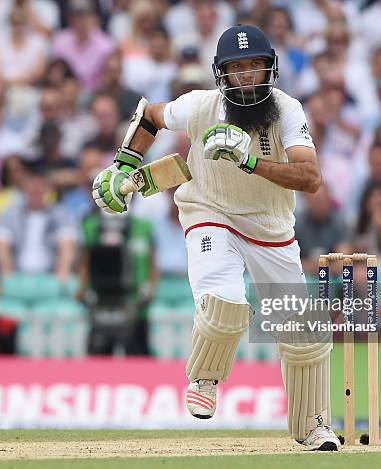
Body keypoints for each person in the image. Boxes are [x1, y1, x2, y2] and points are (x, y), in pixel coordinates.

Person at [92, 25, 340, 450]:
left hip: (270, 226)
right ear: (221, 73)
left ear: (269, 69)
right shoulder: (202, 105)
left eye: (254, 66)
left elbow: (311, 178)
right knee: (225, 301)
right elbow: (151, 115)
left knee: (302, 330)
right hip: (210, 212)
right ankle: (205, 377)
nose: (245, 76)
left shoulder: (288, 110)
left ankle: (313, 425)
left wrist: (249, 160)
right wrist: (122, 166)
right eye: (236, 68)